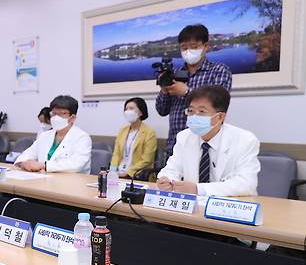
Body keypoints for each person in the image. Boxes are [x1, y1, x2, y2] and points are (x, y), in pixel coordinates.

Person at [157, 85, 260, 196]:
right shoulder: (184, 137)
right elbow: (172, 168)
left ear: (220, 117)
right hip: (194, 204)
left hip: (234, 203)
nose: (194, 116)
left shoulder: (245, 140)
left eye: (202, 111)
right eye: (191, 111)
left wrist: (199, 189)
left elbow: (246, 184)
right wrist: (167, 179)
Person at [155, 24, 232, 156]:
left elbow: (219, 105)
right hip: (175, 146)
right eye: (184, 48)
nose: (188, 51)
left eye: (194, 47)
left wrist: (186, 92)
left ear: (206, 46)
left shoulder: (219, 71)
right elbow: (162, 110)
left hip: (206, 147)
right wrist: (164, 90)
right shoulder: (175, 74)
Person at [14, 95, 91, 173]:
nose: (56, 117)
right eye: (54, 113)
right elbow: (28, 153)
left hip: (72, 179)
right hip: (44, 178)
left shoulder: (82, 137)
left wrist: (44, 166)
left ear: (72, 118)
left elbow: (77, 164)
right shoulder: (45, 135)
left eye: (62, 113)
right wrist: (24, 163)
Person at [110, 97, 157, 178]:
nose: (127, 111)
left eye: (131, 108)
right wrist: (112, 171)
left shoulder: (149, 133)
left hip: (137, 175)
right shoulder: (122, 131)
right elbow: (116, 154)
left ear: (141, 112)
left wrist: (128, 172)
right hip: (118, 173)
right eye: (126, 109)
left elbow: (147, 160)